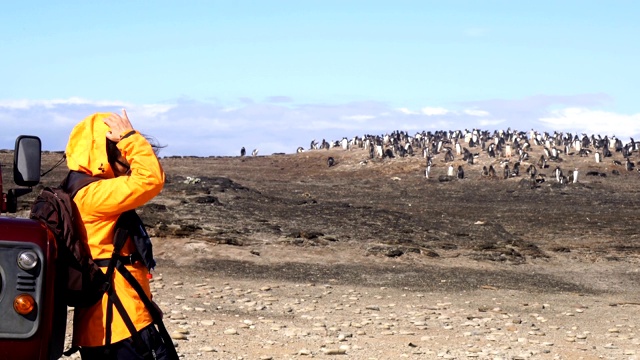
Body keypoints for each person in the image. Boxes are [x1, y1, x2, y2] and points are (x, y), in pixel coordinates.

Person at [64, 109, 169, 359]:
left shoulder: (78, 190)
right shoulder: (93, 195)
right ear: (105, 152)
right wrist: (130, 137)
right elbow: (151, 179)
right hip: (121, 322)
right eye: (125, 160)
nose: (130, 168)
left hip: (105, 323)